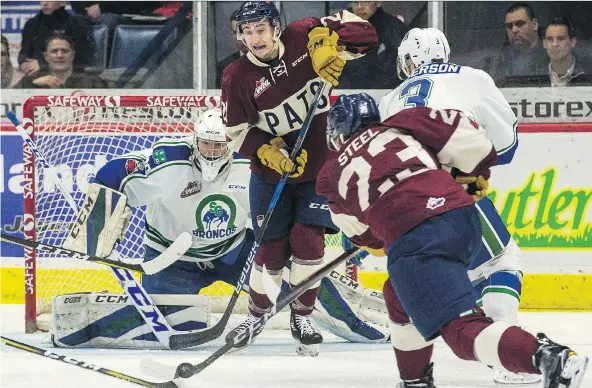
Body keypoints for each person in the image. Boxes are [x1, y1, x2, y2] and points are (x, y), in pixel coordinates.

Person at [52, 108, 390, 349]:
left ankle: (359, 327)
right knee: (186, 325)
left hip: (234, 252)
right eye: (206, 144)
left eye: (219, 145)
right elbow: (112, 174)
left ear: (231, 143)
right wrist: (98, 222)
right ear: (194, 140)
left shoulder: (252, 163)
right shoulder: (167, 161)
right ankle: (80, 326)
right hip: (171, 259)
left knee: (299, 282)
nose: (212, 151)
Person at [317, 93, 589, 388]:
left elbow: (373, 244)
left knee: (461, 332)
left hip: (418, 239)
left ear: (337, 134)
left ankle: (547, 357)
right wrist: (467, 174)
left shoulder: (331, 175)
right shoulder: (403, 123)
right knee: (398, 292)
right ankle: (415, 380)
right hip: (464, 217)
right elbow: (480, 147)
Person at [378, 27, 544, 385]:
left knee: (415, 283)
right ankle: (505, 351)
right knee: (502, 260)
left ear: (408, 62)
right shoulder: (473, 78)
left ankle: (415, 376)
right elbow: (507, 146)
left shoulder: (389, 99)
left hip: (400, 207)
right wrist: (470, 162)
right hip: (451, 193)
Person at [221, 0, 378, 356]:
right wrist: (268, 152)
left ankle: (302, 314)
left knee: (309, 242)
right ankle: (257, 315)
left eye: (260, 29)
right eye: (247, 32)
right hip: (270, 175)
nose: (254, 38)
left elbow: (368, 36)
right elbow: (236, 131)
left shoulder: (305, 32)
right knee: (273, 251)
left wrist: (327, 39)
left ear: (276, 28)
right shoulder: (236, 76)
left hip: (317, 167)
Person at [339, 1, 409, 89]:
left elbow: (399, 72)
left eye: (366, 2)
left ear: (379, 2)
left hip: (384, 95)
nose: (359, 7)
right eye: (355, 2)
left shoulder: (395, 29)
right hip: (345, 95)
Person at [18, 1, 94, 76]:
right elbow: (24, 53)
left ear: (62, 2)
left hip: (69, 76)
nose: (45, 3)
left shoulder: (76, 24)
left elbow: (83, 58)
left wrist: (43, 66)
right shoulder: (31, 24)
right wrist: (25, 64)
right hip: (35, 74)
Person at [483, 3, 547, 85]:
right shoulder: (500, 59)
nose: (514, 30)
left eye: (520, 24)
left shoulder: (551, 53)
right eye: (509, 26)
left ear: (534, 25)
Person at [17, 34, 106, 89]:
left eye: (65, 51)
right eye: (54, 51)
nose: (60, 55)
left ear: (73, 55)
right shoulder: (30, 82)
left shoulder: (92, 82)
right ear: (46, 56)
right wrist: (33, 85)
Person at [541, 17, 592, 87]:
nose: (554, 44)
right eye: (550, 39)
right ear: (544, 43)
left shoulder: (588, 74)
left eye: (561, 39)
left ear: (573, 42)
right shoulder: (535, 75)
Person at [216, 10, 249, 89]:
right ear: (231, 34)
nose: (240, 37)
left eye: (244, 31)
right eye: (236, 33)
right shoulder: (224, 67)